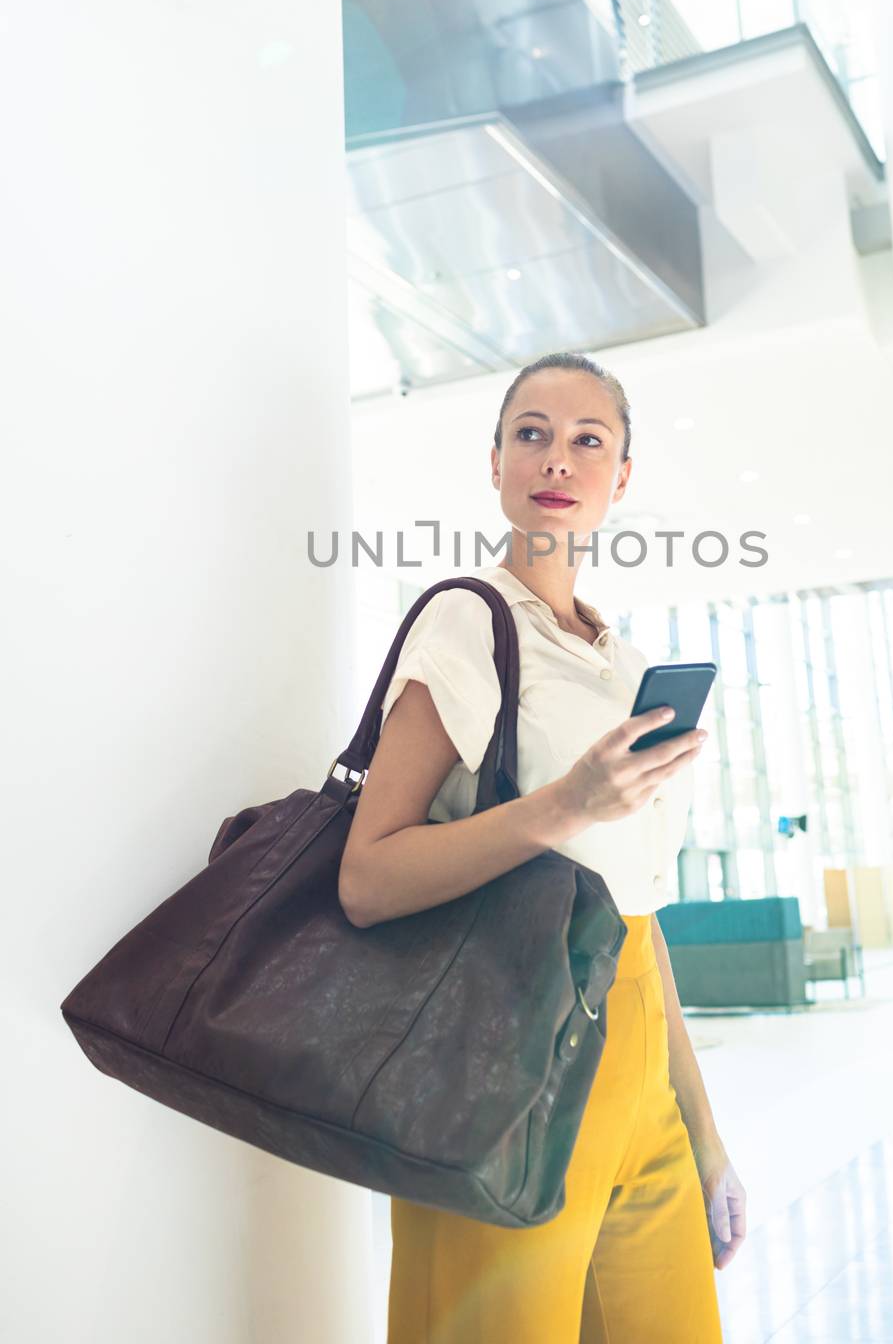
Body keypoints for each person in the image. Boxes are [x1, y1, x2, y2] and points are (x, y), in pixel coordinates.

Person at [338, 350, 747, 1342]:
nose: (555, 457)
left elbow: (634, 916)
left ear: (621, 476)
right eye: (530, 433)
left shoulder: (625, 666)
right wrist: (564, 803)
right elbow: (366, 878)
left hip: (637, 1072)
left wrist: (704, 1134)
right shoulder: (465, 622)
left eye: (585, 439)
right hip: (499, 1067)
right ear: (493, 463)